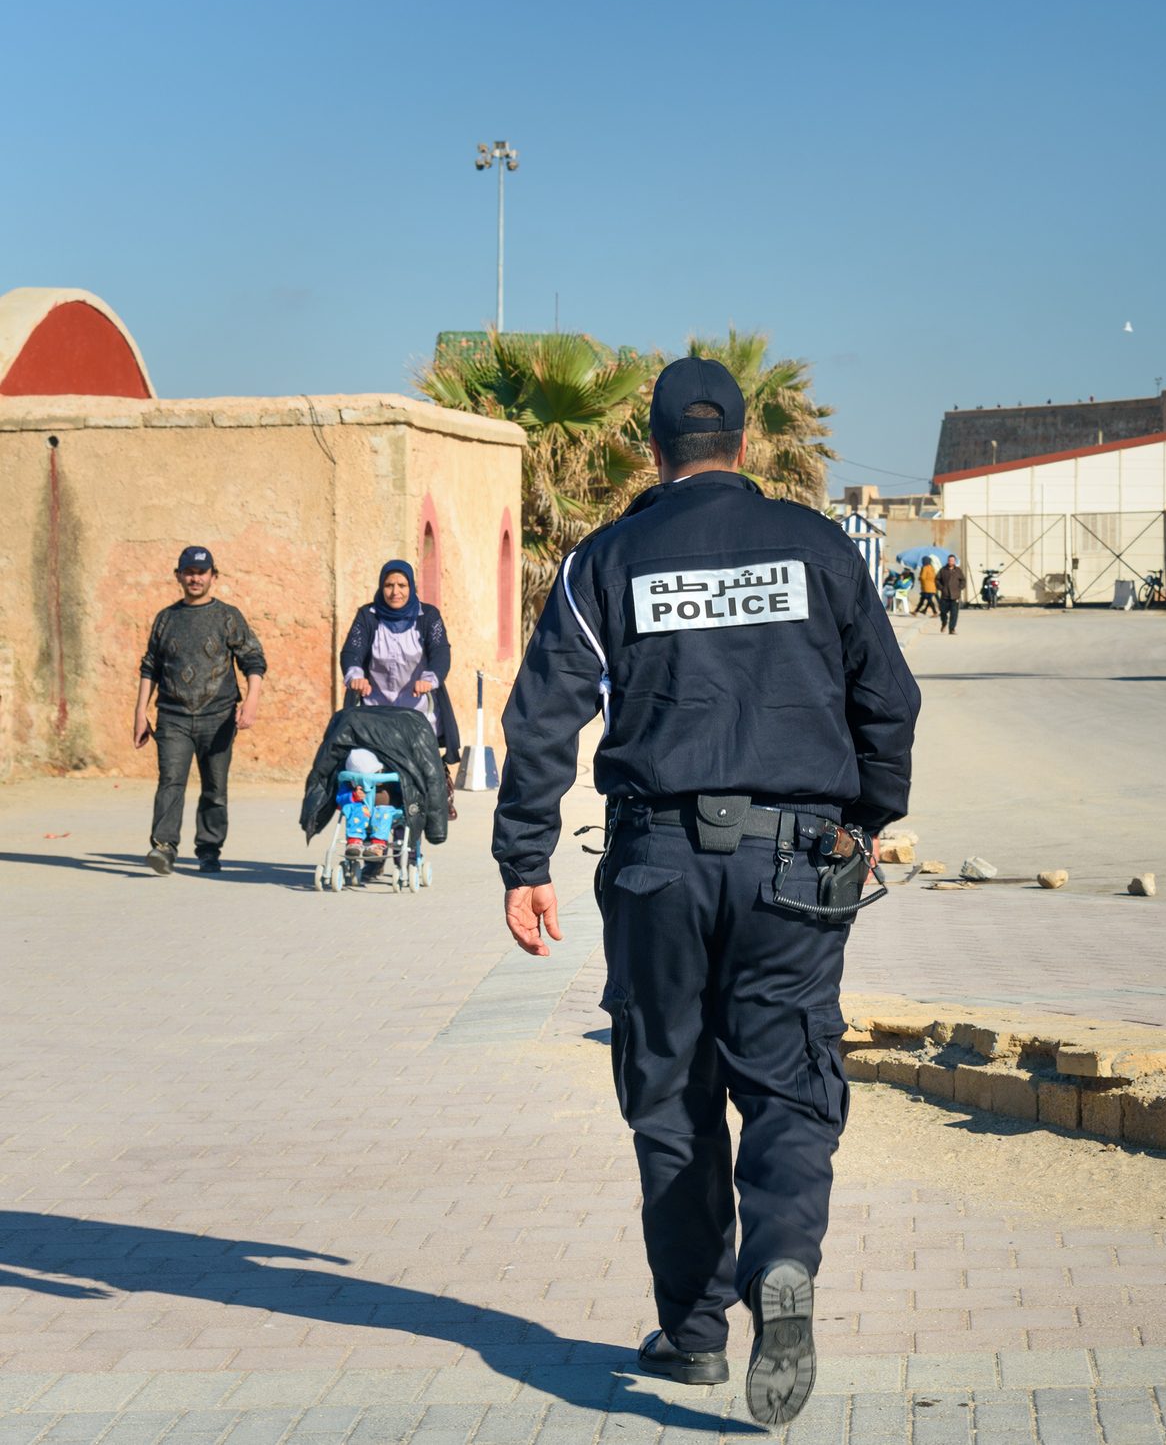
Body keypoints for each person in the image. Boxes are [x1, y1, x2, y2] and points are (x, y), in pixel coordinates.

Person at [492, 357, 919, 1427]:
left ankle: (690, 1333)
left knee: (671, 1090)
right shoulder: (819, 546)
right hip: (797, 855)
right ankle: (781, 1261)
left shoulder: (609, 556)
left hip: (653, 862)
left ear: (653, 447)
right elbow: (889, 699)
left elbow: (541, 713)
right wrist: (864, 822)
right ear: (743, 441)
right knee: (786, 1078)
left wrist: (524, 859)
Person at [134, 546, 267, 875]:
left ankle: (209, 850)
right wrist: (140, 713)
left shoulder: (227, 616)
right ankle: (164, 847)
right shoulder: (166, 618)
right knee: (170, 782)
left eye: (201, 572)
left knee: (214, 787)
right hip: (173, 716)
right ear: (178, 575)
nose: (195, 578)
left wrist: (252, 700)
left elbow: (253, 659)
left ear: (213, 576)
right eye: (189, 572)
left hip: (219, 716)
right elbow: (150, 666)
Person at [340, 560, 463, 815]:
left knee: (420, 763)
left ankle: (435, 792)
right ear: (381, 587)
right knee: (361, 761)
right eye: (389, 585)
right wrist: (355, 676)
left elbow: (440, 652)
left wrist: (430, 678)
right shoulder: (368, 616)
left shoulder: (428, 616)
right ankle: (380, 811)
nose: (395, 592)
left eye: (402, 585)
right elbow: (352, 650)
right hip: (377, 711)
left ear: (411, 586)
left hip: (416, 711)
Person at [935, 554, 966, 634]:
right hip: (945, 595)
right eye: (949, 560)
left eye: (952, 560)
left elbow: (963, 580)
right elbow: (937, 580)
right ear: (947, 561)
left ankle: (952, 629)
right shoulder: (943, 570)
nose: (950, 562)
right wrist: (941, 588)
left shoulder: (958, 570)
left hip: (955, 596)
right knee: (943, 612)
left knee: (954, 614)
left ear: (954, 561)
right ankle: (944, 623)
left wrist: (960, 587)